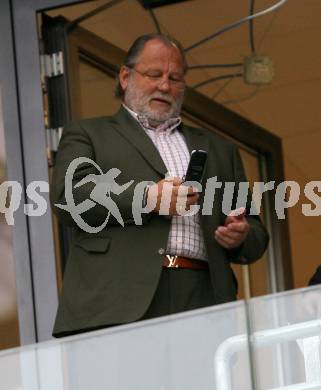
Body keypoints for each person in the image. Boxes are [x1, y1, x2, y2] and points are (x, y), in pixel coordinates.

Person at [51, 33, 269, 337]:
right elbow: (69, 198)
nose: (165, 86)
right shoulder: (89, 134)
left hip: (203, 299)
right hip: (117, 299)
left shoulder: (220, 149)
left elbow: (257, 234)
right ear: (125, 76)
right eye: (154, 74)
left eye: (175, 78)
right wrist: (148, 198)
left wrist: (240, 235)